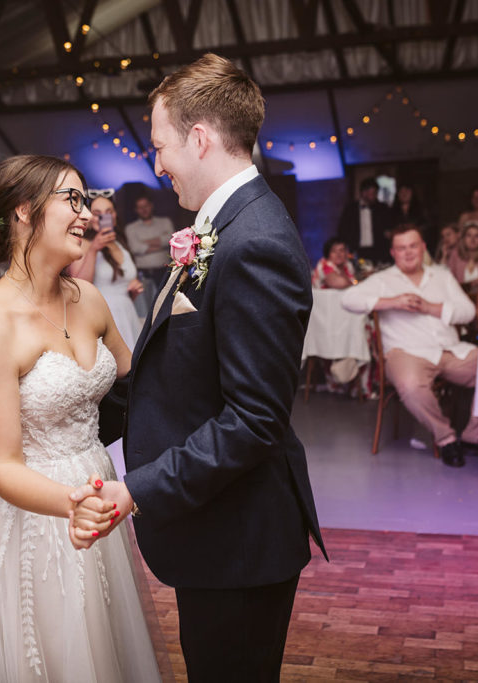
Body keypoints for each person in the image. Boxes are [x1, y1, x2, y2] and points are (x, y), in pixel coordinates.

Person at [70, 53, 324, 682]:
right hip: (214, 528)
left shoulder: (254, 239)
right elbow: (179, 372)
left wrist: (137, 489)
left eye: (160, 147)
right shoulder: (223, 226)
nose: (156, 164)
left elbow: (254, 420)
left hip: (238, 538)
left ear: (201, 139)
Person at [0, 155, 162, 682]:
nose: (88, 214)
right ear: (23, 212)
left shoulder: (88, 299)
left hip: (97, 493)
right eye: (73, 199)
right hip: (36, 513)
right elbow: (0, 465)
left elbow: (142, 385)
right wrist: (74, 505)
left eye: (87, 201)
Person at [342, 224, 478, 468]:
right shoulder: (382, 280)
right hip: (406, 353)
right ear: (393, 253)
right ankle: (446, 438)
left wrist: (430, 307)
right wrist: (392, 302)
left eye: (413, 246)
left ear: (423, 248)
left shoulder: (442, 276)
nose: (408, 252)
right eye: (401, 248)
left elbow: (468, 311)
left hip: (450, 350)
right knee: (410, 385)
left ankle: (474, 436)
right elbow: (347, 299)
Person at [68, 194, 145, 350]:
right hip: (102, 315)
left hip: (127, 312)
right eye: (97, 214)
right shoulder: (83, 244)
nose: (104, 217)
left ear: (115, 215)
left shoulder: (121, 243)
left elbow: (124, 285)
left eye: (109, 212)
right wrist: (94, 249)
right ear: (89, 217)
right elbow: (79, 285)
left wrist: (134, 290)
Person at [337, 176, 393, 263]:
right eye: (371, 193)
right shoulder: (351, 208)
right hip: (357, 251)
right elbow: (342, 230)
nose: (374, 196)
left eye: (375, 193)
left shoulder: (383, 208)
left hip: (378, 251)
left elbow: (388, 229)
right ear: (363, 192)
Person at [123, 195, 174, 284]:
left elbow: (171, 241)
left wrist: (144, 242)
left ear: (151, 206)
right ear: (136, 210)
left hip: (165, 272)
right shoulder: (130, 228)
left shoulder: (165, 222)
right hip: (143, 274)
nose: (144, 209)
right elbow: (135, 248)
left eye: (146, 206)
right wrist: (161, 245)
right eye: (140, 207)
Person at [446, 222, 478, 295]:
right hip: (460, 295)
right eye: (469, 235)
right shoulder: (455, 253)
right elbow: (449, 277)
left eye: (477, 236)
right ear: (463, 238)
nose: (472, 239)